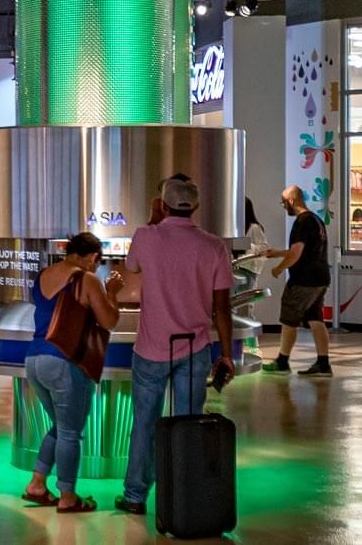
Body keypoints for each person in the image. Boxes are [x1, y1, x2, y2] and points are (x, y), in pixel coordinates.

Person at [115, 177, 235, 515]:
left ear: (162, 204)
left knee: (144, 423)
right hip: (196, 349)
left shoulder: (145, 236)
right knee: (187, 424)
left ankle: (135, 495)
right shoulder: (214, 246)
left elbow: (131, 267)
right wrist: (226, 354)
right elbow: (222, 308)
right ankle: (184, 494)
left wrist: (154, 221)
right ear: (196, 206)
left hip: (151, 348)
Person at [22, 232, 121, 513]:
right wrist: (112, 293)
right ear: (93, 257)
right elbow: (108, 321)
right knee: (70, 432)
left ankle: (37, 484)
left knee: (60, 426)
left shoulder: (43, 275)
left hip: (35, 359)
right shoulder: (87, 279)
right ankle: (68, 496)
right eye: (97, 261)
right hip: (65, 361)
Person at [263, 186, 332, 377]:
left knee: (289, 319)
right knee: (316, 320)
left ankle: (282, 361)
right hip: (320, 278)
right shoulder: (316, 220)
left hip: (303, 280)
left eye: (283, 203)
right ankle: (323, 364)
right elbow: (305, 250)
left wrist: (279, 268)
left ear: (291, 201)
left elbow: (296, 253)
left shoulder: (301, 222)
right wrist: (278, 253)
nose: (284, 206)